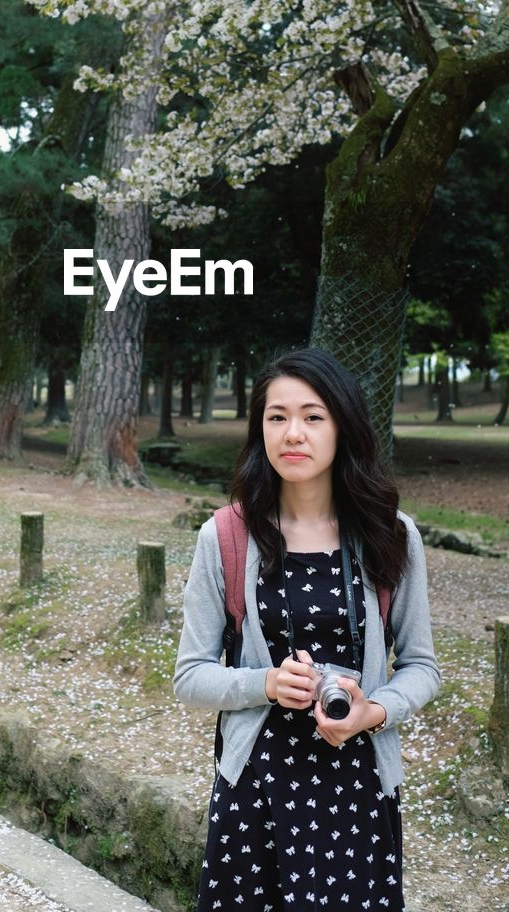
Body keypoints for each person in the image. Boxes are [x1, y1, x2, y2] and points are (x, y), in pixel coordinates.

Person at [174, 348, 440, 911]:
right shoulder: (227, 536)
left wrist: (377, 710)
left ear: (343, 426)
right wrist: (265, 684)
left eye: (313, 416)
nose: (293, 433)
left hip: (359, 790)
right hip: (257, 793)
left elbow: (422, 666)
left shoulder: (390, 535)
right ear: (259, 430)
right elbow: (190, 676)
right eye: (277, 417)